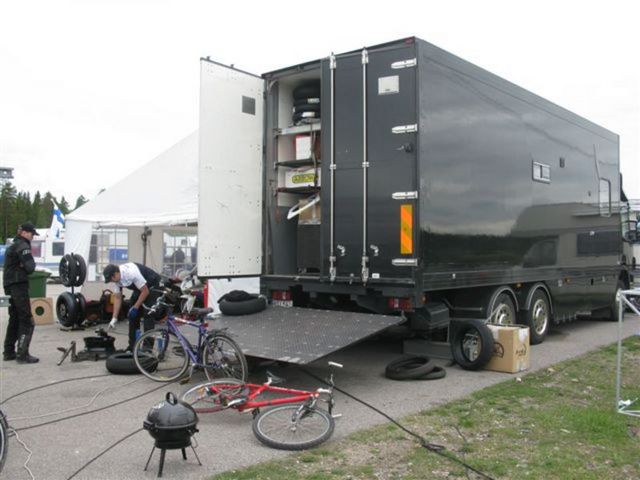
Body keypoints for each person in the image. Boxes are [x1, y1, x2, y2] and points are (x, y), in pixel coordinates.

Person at [3, 222, 40, 364]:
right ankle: (22, 354)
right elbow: (31, 267)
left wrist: (21, 265)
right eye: (31, 234)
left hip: (8, 284)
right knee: (26, 319)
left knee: (14, 318)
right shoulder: (23, 246)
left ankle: (8, 352)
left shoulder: (12, 245)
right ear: (24, 232)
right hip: (19, 285)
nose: (32, 237)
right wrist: (24, 265)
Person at [103, 262, 161, 350]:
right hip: (140, 287)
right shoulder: (117, 279)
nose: (112, 282)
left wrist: (136, 307)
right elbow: (118, 298)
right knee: (132, 316)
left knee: (148, 314)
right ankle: (132, 346)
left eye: (111, 279)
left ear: (115, 274)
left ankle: (147, 348)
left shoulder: (131, 273)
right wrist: (114, 318)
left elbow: (145, 292)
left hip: (152, 284)